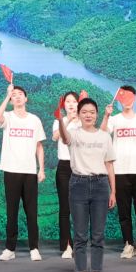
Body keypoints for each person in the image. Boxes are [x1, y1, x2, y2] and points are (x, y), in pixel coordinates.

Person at [61, 96, 117, 272]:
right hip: (78, 184)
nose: (88, 115)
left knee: (98, 235)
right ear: (78, 114)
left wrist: (113, 191)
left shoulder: (104, 136)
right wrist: (60, 120)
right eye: (84, 112)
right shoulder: (74, 134)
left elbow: (109, 165)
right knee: (80, 235)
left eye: (92, 112)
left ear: (97, 115)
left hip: (101, 185)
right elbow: (64, 138)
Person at [0, 83, 46, 260]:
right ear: (11, 100)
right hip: (11, 170)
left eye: (20, 94)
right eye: (14, 95)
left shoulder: (34, 120)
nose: (17, 96)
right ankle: (10, 249)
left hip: (29, 171)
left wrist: (41, 169)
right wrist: (6, 95)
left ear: (26, 98)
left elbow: (39, 146)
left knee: (31, 211)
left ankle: (34, 248)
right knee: (12, 211)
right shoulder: (8, 117)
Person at [108, 86, 136, 260]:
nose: (127, 101)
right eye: (124, 97)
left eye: (130, 97)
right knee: (124, 212)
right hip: (120, 172)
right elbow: (103, 133)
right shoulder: (114, 120)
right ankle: (128, 244)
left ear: (135, 98)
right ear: (120, 99)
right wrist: (105, 115)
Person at [52, 89, 80, 259]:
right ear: (64, 105)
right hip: (64, 167)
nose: (71, 104)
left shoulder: (83, 121)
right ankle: (66, 246)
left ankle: (80, 244)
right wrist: (67, 119)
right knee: (65, 208)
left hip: (81, 167)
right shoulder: (60, 121)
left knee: (80, 208)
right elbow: (56, 137)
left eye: (74, 101)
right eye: (68, 102)